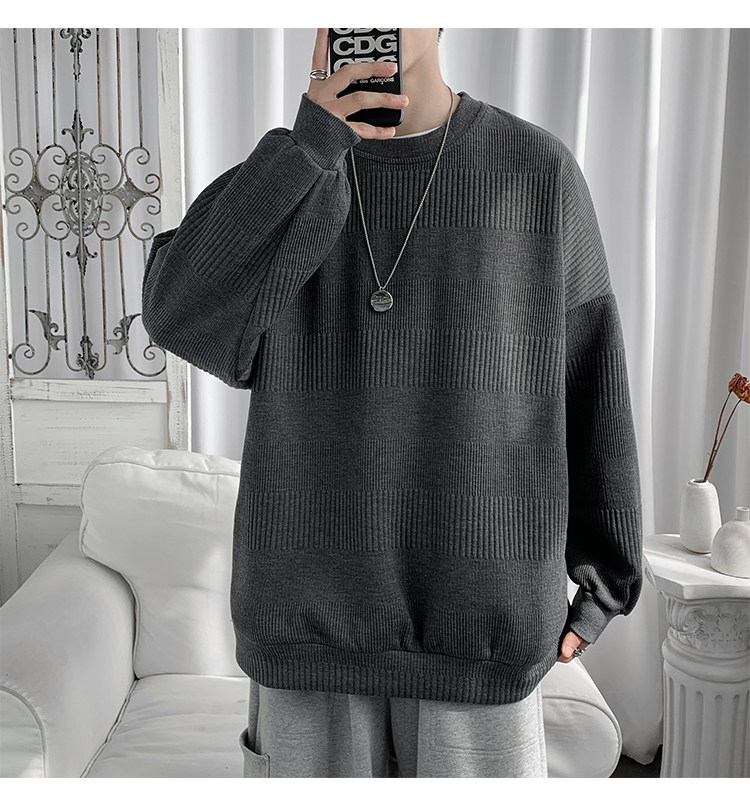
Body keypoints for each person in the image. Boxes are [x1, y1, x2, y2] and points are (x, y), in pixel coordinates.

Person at [141, 27, 643, 778]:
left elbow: (591, 370)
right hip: (306, 637)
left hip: (481, 633)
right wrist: (309, 147)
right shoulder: (294, 175)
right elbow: (178, 315)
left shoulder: (535, 170)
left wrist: (605, 578)